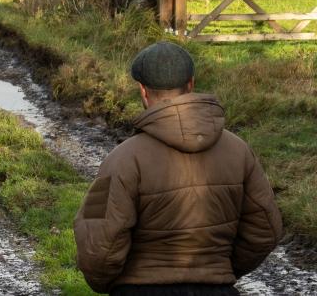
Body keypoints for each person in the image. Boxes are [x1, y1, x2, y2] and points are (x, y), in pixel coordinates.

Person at [74, 41, 283, 295]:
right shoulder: (240, 152)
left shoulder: (119, 160)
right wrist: (218, 271)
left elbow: (97, 237)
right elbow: (267, 228)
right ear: (191, 84)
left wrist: (111, 285)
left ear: (142, 91)